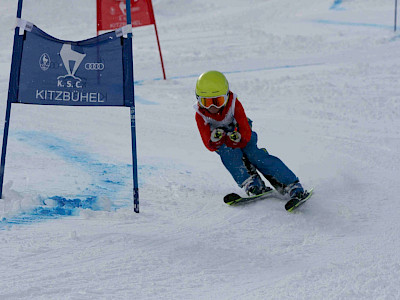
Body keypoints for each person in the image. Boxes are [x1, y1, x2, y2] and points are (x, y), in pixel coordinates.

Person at [194, 70, 305, 201]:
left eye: (218, 101)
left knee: (254, 155)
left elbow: (244, 127)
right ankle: (251, 183)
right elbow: (208, 142)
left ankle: (291, 184)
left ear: (226, 96)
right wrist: (214, 140)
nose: (212, 107)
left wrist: (240, 138)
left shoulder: (234, 104)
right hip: (224, 141)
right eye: (206, 102)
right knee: (229, 155)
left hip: (241, 133)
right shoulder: (200, 115)